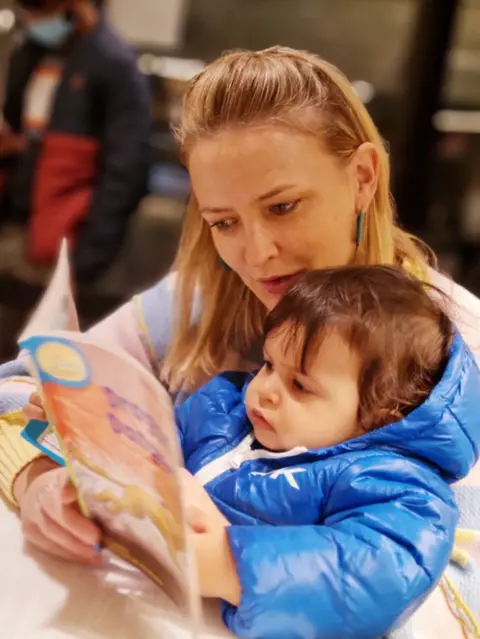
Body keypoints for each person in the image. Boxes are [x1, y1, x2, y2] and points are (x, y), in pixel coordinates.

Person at [1, 46, 480, 636]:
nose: (256, 255)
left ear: (362, 177)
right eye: (223, 222)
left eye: (282, 207)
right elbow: (21, 386)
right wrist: (41, 477)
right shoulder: (195, 300)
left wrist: (231, 558)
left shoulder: (457, 348)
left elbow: (458, 594)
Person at [0, 0, 151, 282]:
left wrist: (85, 260)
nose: (35, 21)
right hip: (15, 232)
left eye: (43, 12)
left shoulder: (114, 65)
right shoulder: (31, 55)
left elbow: (127, 171)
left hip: (64, 249)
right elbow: (18, 131)